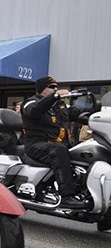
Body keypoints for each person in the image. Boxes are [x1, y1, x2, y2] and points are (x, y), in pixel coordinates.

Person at [21, 76, 89, 208]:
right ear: (41, 89)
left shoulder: (60, 106)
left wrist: (98, 116)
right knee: (58, 150)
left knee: (86, 151)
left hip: (59, 145)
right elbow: (34, 111)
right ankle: (66, 196)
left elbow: (80, 114)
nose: (55, 89)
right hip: (36, 145)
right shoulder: (30, 103)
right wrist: (55, 96)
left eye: (56, 87)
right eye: (51, 87)